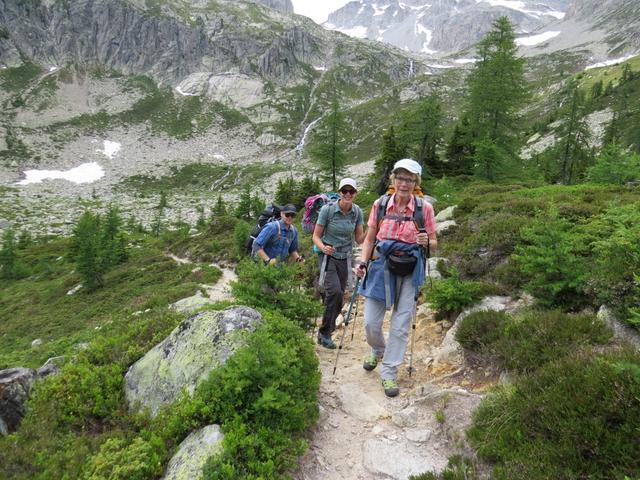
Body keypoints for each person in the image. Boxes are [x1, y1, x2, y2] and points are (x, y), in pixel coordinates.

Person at [354, 159, 437, 397]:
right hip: (380, 266)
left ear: (416, 183)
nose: (404, 183)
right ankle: (378, 348)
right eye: (400, 178)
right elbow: (369, 238)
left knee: (400, 326)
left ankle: (389, 373)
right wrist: (363, 262)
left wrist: (427, 242)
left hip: (411, 270)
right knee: (370, 322)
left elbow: (434, 242)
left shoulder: (424, 209)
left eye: (410, 179)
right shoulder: (380, 205)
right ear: (393, 179)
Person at [312, 178, 365, 349]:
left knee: (340, 295)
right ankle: (325, 332)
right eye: (345, 191)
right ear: (340, 192)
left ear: (355, 193)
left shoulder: (357, 212)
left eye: (351, 191)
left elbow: (359, 239)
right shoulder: (327, 210)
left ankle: (326, 330)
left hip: (345, 256)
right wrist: (323, 247)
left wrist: (374, 228)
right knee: (334, 291)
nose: (348, 194)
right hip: (327, 256)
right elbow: (316, 236)